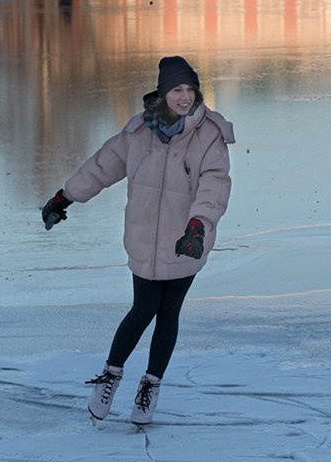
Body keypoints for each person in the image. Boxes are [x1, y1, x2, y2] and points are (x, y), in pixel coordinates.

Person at [40, 56, 235, 428]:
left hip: (186, 240)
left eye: (189, 89)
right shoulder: (139, 133)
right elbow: (101, 166)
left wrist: (198, 225)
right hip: (144, 238)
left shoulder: (210, 135)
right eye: (176, 89)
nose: (183, 97)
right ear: (163, 92)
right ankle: (111, 376)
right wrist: (64, 197)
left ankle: (150, 385)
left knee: (169, 311)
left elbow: (215, 185)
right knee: (143, 307)